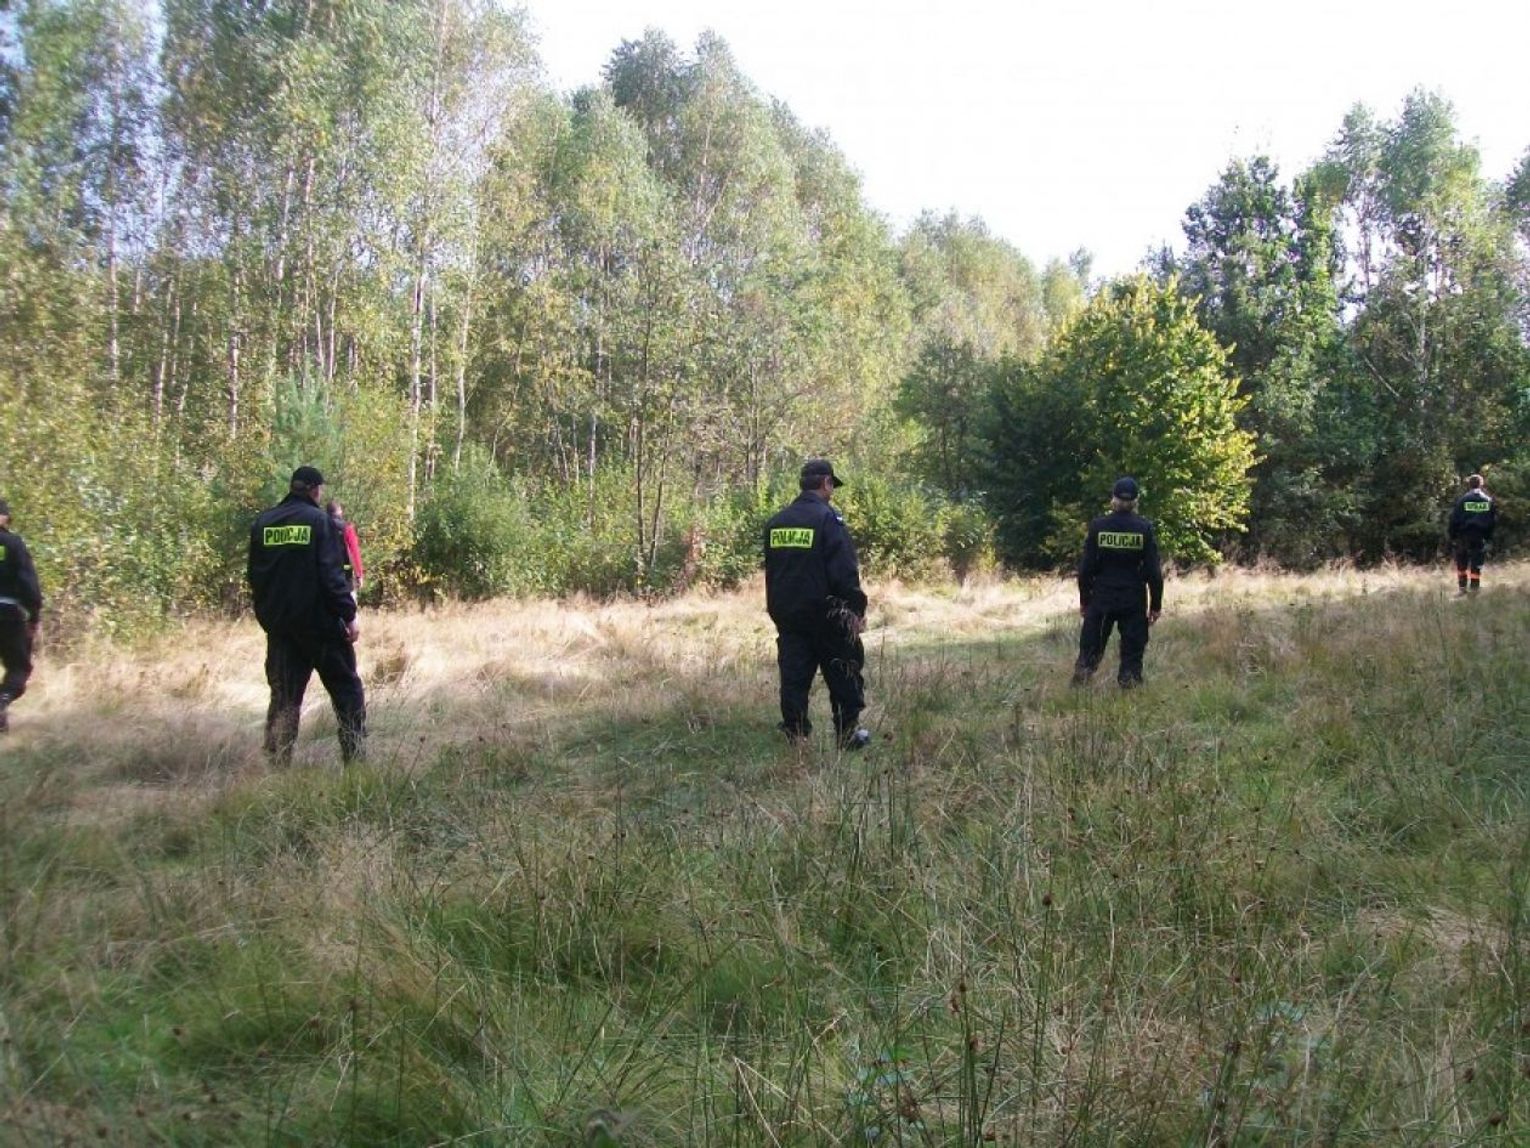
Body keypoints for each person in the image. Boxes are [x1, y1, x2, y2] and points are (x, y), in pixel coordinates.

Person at [248, 466, 365, 764]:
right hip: (321, 628)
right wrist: (349, 615)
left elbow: (255, 578)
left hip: (282, 630)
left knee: (284, 700)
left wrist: (269, 619)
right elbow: (332, 576)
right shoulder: (319, 521)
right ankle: (354, 759)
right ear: (314, 489)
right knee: (347, 692)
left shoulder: (263, 523)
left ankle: (277, 765)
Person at [763, 459, 871, 749]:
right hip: (829, 617)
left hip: (789, 617)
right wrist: (856, 610)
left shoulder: (776, 522)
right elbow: (844, 572)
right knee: (844, 673)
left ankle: (796, 736)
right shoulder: (828, 520)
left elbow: (773, 572)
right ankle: (848, 734)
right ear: (826, 483)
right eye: (832, 486)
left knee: (794, 679)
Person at [1073, 476, 1164, 689]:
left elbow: (1085, 569)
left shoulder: (1098, 527)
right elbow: (1153, 572)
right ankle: (1129, 690)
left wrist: (1085, 601)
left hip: (1101, 598)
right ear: (1136, 501)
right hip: (1133, 599)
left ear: (1113, 499)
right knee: (1132, 655)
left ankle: (1079, 691)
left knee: (1089, 652)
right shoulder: (1144, 529)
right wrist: (1156, 605)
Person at [0, 498, 43, 733]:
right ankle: (2, 701)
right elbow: (28, 584)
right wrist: (34, 615)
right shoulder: (13, 544)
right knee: (19, 668)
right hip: (7, 614)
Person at [1447, 474, 1496, 595]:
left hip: (1463, 535)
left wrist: (1452, 536)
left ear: (1469, 484)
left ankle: (1462, 589)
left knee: (1462, 562)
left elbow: (1454, 519)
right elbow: (1492, 521)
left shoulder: (1463, 500)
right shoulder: (1487, 501)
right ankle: (1474, 589)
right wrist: (1489, 537)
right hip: (1480, 536)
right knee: (1476, 563)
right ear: (1481, 484)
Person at [325, 499, 365, 593]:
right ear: (340, 511)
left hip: (326, 571)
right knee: (348, 597)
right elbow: (354, 552)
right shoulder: (346, 528)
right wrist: (359, 574)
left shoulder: (320, 526)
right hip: (344, 570)